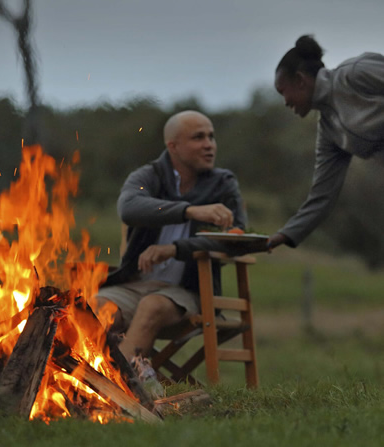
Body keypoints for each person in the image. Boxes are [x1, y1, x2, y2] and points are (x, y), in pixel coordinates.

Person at [93, 110, 259, 365]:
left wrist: (176, 249)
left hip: (190, 291)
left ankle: (117, 387)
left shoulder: (222, 184)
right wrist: (188, 211)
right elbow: (129, 208)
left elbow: (235, 239)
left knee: (152, 306)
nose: (209, 145)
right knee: (93, 307)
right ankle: (73, 384)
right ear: (173, 145)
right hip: (136, 283)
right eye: (198, 137)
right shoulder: (148, 177)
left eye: (211, 137)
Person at [268, 35, 384, 250]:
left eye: (283, 91)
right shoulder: (330, 132)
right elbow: (322, 196)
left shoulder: (355, 72)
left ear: (301, 80)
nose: (284, 102)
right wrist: (282, 236)